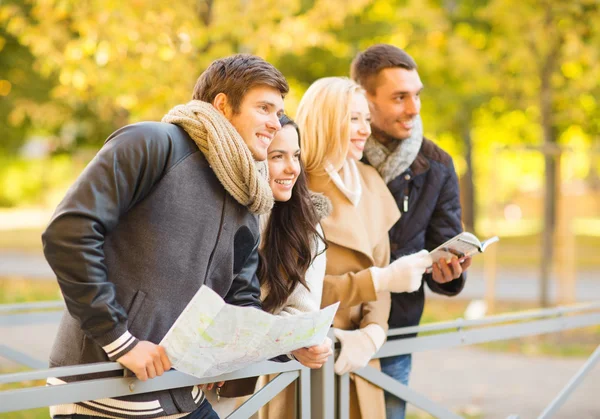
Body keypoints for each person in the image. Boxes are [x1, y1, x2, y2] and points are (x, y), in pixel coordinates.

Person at [42, 54, 330, 419]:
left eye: (278, 112)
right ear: (223, 105)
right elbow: (69, 232)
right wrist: (121, 342)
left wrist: (287, 347)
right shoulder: (152, 143)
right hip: (104, 391)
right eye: (264, 109)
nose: (276, 124)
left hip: (181, 395)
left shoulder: (245, 193)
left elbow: (239, 301)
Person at [296, 77, 432, 419]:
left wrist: (373, 332)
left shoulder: (369, 181)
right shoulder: (295, 186)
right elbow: (292, 290)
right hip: (307, 358)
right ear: (326, 121)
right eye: (352, 119)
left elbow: (383, 269)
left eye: (365, 119)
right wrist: (377, 281)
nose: (364, 130)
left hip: (360, 358)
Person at [351, 44, 472, 418]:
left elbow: (443, 243)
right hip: (330, 330)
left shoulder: (437, 164)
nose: (414, 108)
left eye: (416, 95)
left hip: (394, 334)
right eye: (399, 97)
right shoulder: (335, 154)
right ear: (364, 99)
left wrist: (449, 273)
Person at [204, 115, 333, 417]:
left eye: (296, 156)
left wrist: (277, 343)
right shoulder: (222, 212)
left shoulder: (306, 228)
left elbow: (301, 312)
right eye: (278, 156)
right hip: (184, 365)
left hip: (243, 378)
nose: (292, 168)